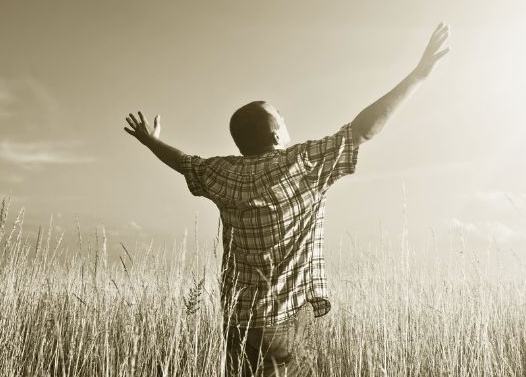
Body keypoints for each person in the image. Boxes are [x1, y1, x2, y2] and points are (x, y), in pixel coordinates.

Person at [124, 22, 450, 377]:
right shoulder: (301, 164)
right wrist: (418, 76)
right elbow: (363, 129)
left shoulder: (221, 173)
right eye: (280, 113)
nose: (285, 116)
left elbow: (183, 162)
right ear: (276, 133)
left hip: (237, 318)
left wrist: (150, 141)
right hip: (283, 323)